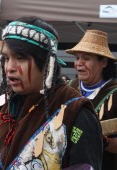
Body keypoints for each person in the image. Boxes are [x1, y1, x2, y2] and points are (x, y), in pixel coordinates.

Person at [0, 17, 103, 170]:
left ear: (46, 62)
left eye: (20, 58)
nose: (10, 67)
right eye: (6, 58)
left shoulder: (75, 112)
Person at [66, 29, 117, 170]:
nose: (79, 63)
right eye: (77, 58)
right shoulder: (68, 89)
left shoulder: (115, 93)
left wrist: (103, 141)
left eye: (86, 58)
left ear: (104, 62)